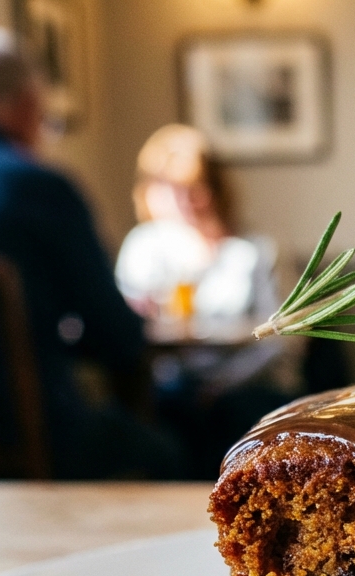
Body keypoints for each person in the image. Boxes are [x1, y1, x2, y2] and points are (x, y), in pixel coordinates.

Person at [0, 36, 182, 479]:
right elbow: (116, 336)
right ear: (27, 104)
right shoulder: (37, 187)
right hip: (33, 432)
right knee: (166, 452)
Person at [115, 124, 287, 478]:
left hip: (247, 384)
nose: (182, 201)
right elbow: (126, 322)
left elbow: (283, 340)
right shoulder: (144, 247)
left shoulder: (254, 252)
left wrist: (221, 384)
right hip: (174, 386)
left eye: (194, 188)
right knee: (167, 412)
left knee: (230, 414)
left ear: (215, 189)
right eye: (169, 189)